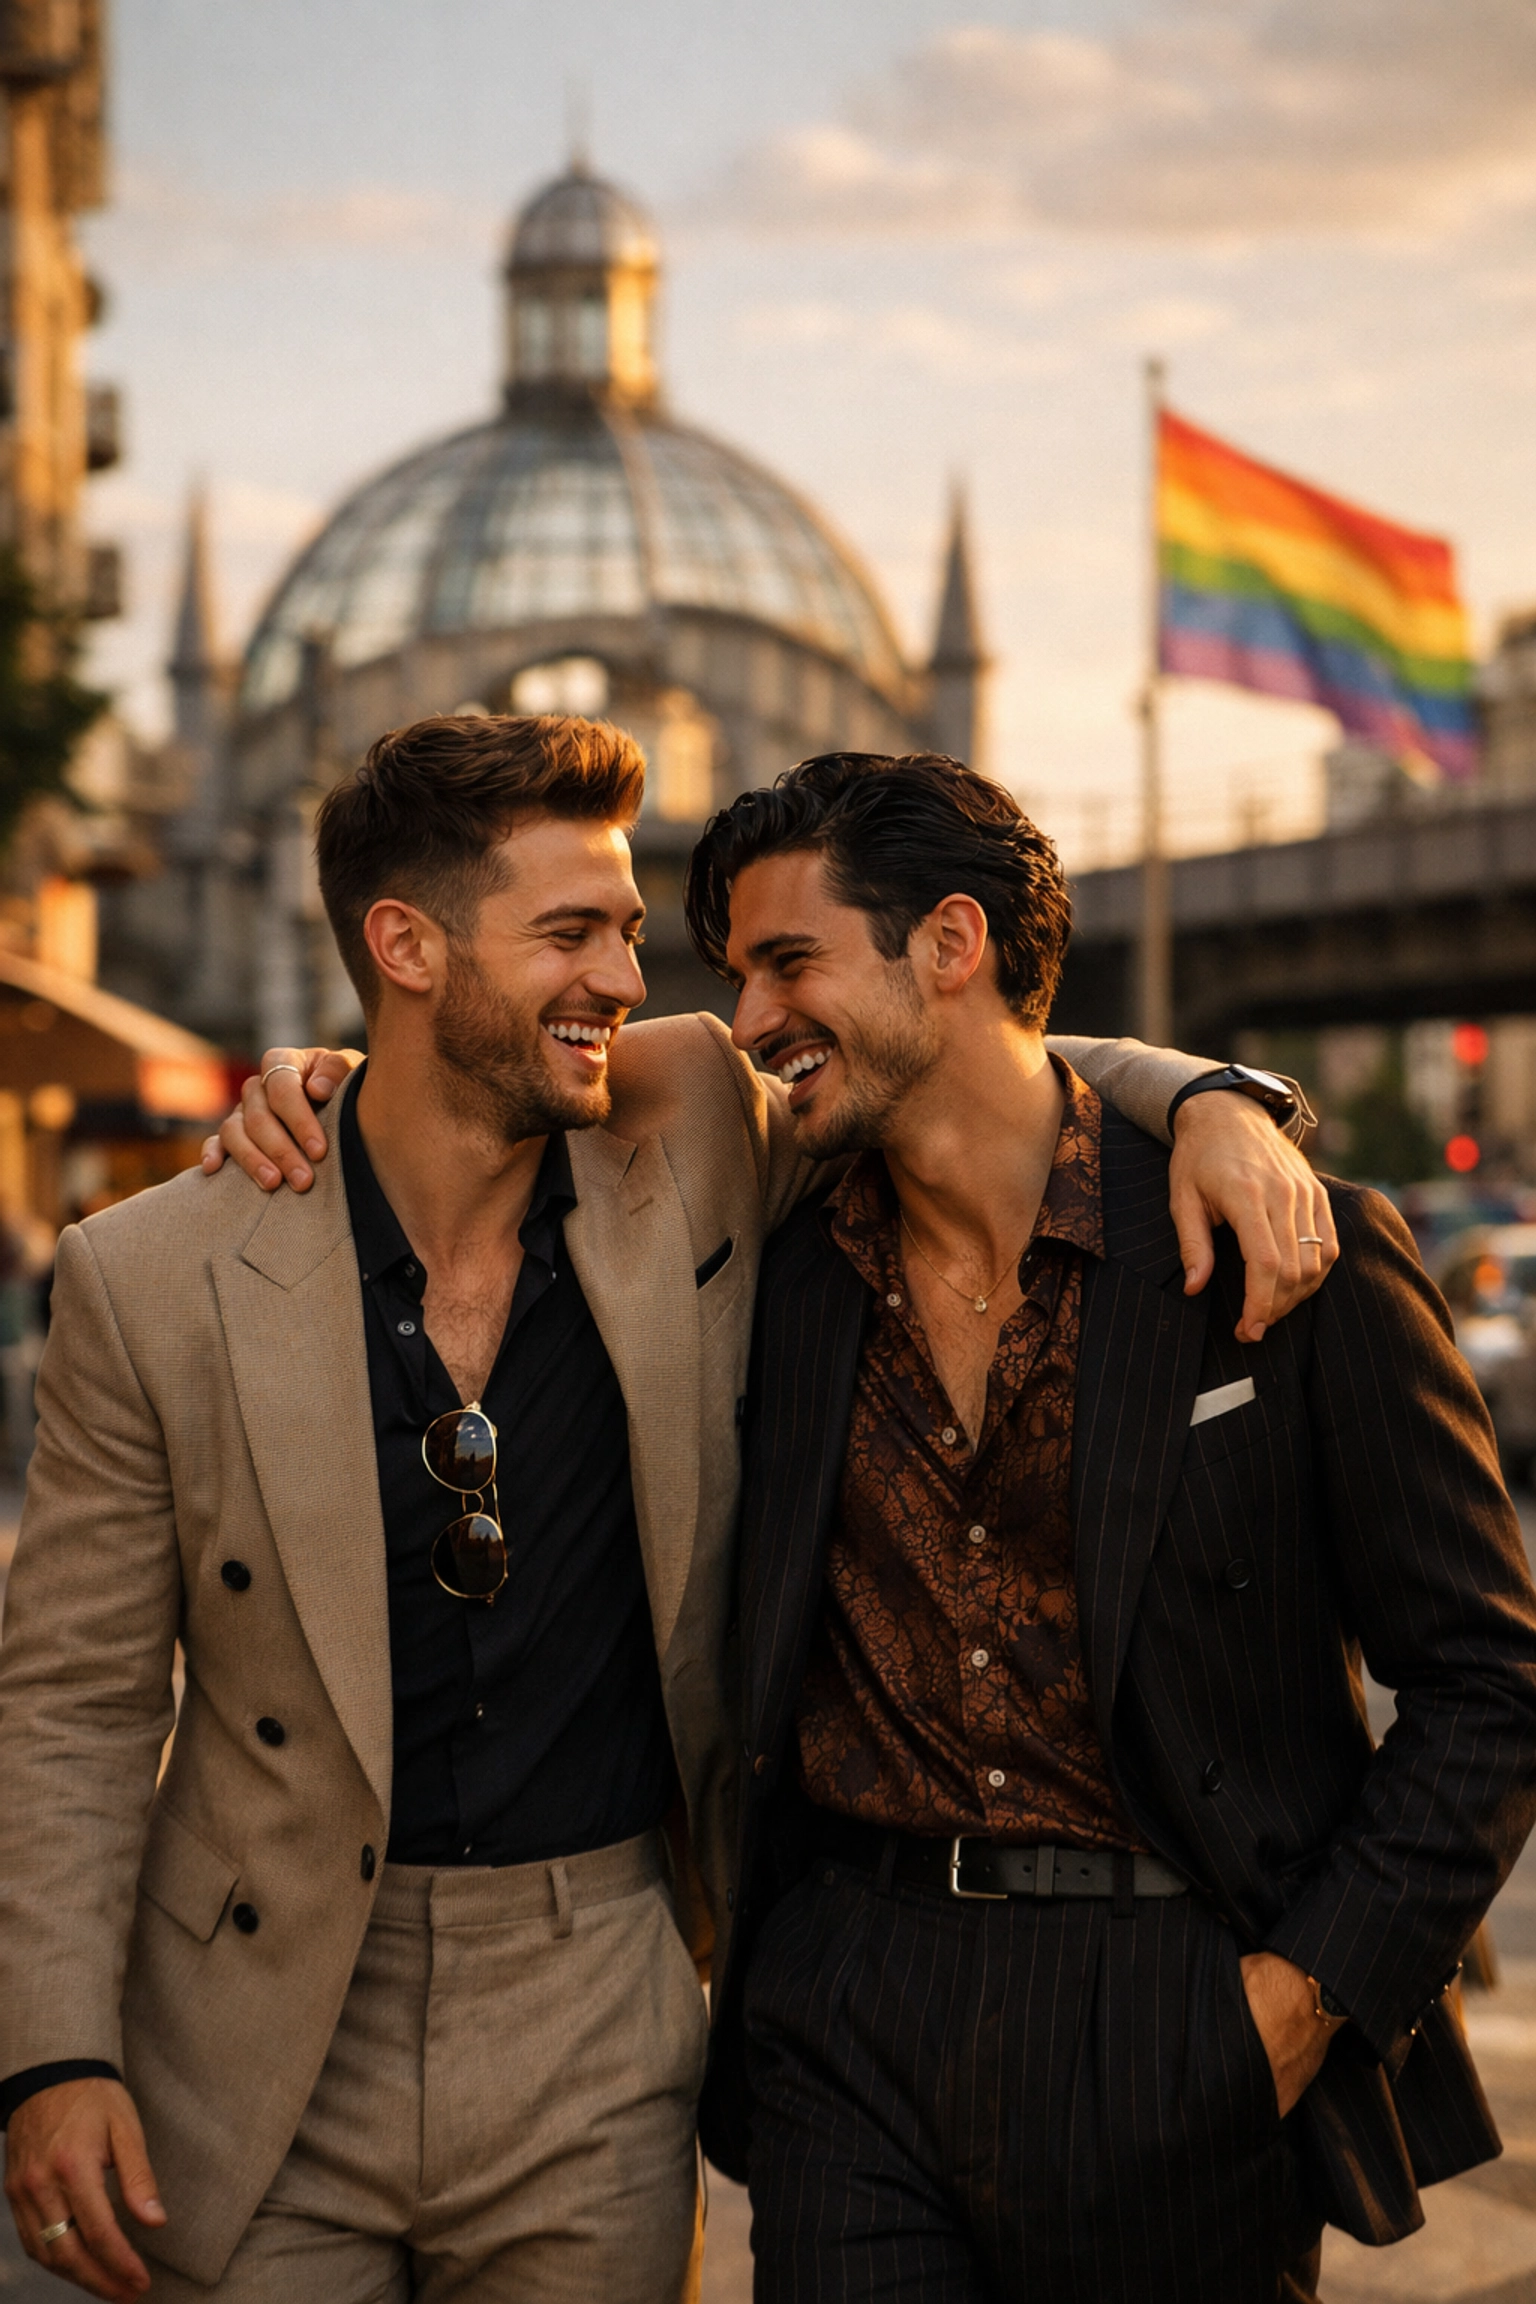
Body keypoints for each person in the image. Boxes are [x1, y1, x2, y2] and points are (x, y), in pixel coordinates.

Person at [0, 715, 1330, 2304]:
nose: (632, 984)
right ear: (404, 946)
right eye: (570, 934)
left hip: (602, 2007)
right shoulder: (147, 1274)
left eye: (628, 934)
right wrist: (52, 2054)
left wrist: (1207, 1098)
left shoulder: (692, 1118)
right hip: (254, 2021)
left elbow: (961, 1058)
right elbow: (69, 1708)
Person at [682, 751, 1536, 2304]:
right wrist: (310, 1090)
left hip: (1177, 2002)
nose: (748, 1025)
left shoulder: (1290, 1250)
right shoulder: (779, 1265)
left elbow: (1488, 1686)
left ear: (951, 944)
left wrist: (1303, 1998)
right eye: (738, 977)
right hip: (846, 2004)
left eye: (787, 962)